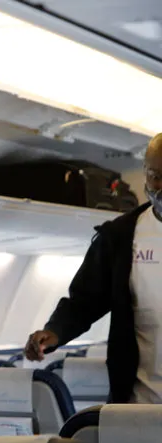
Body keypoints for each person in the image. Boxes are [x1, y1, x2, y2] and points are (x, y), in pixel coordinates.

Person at [26, 133, 162, 403]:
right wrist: (55, 332)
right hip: (140, 403)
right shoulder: (122, 236)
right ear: (145, 174)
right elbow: (84, 301)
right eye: (156, 176)